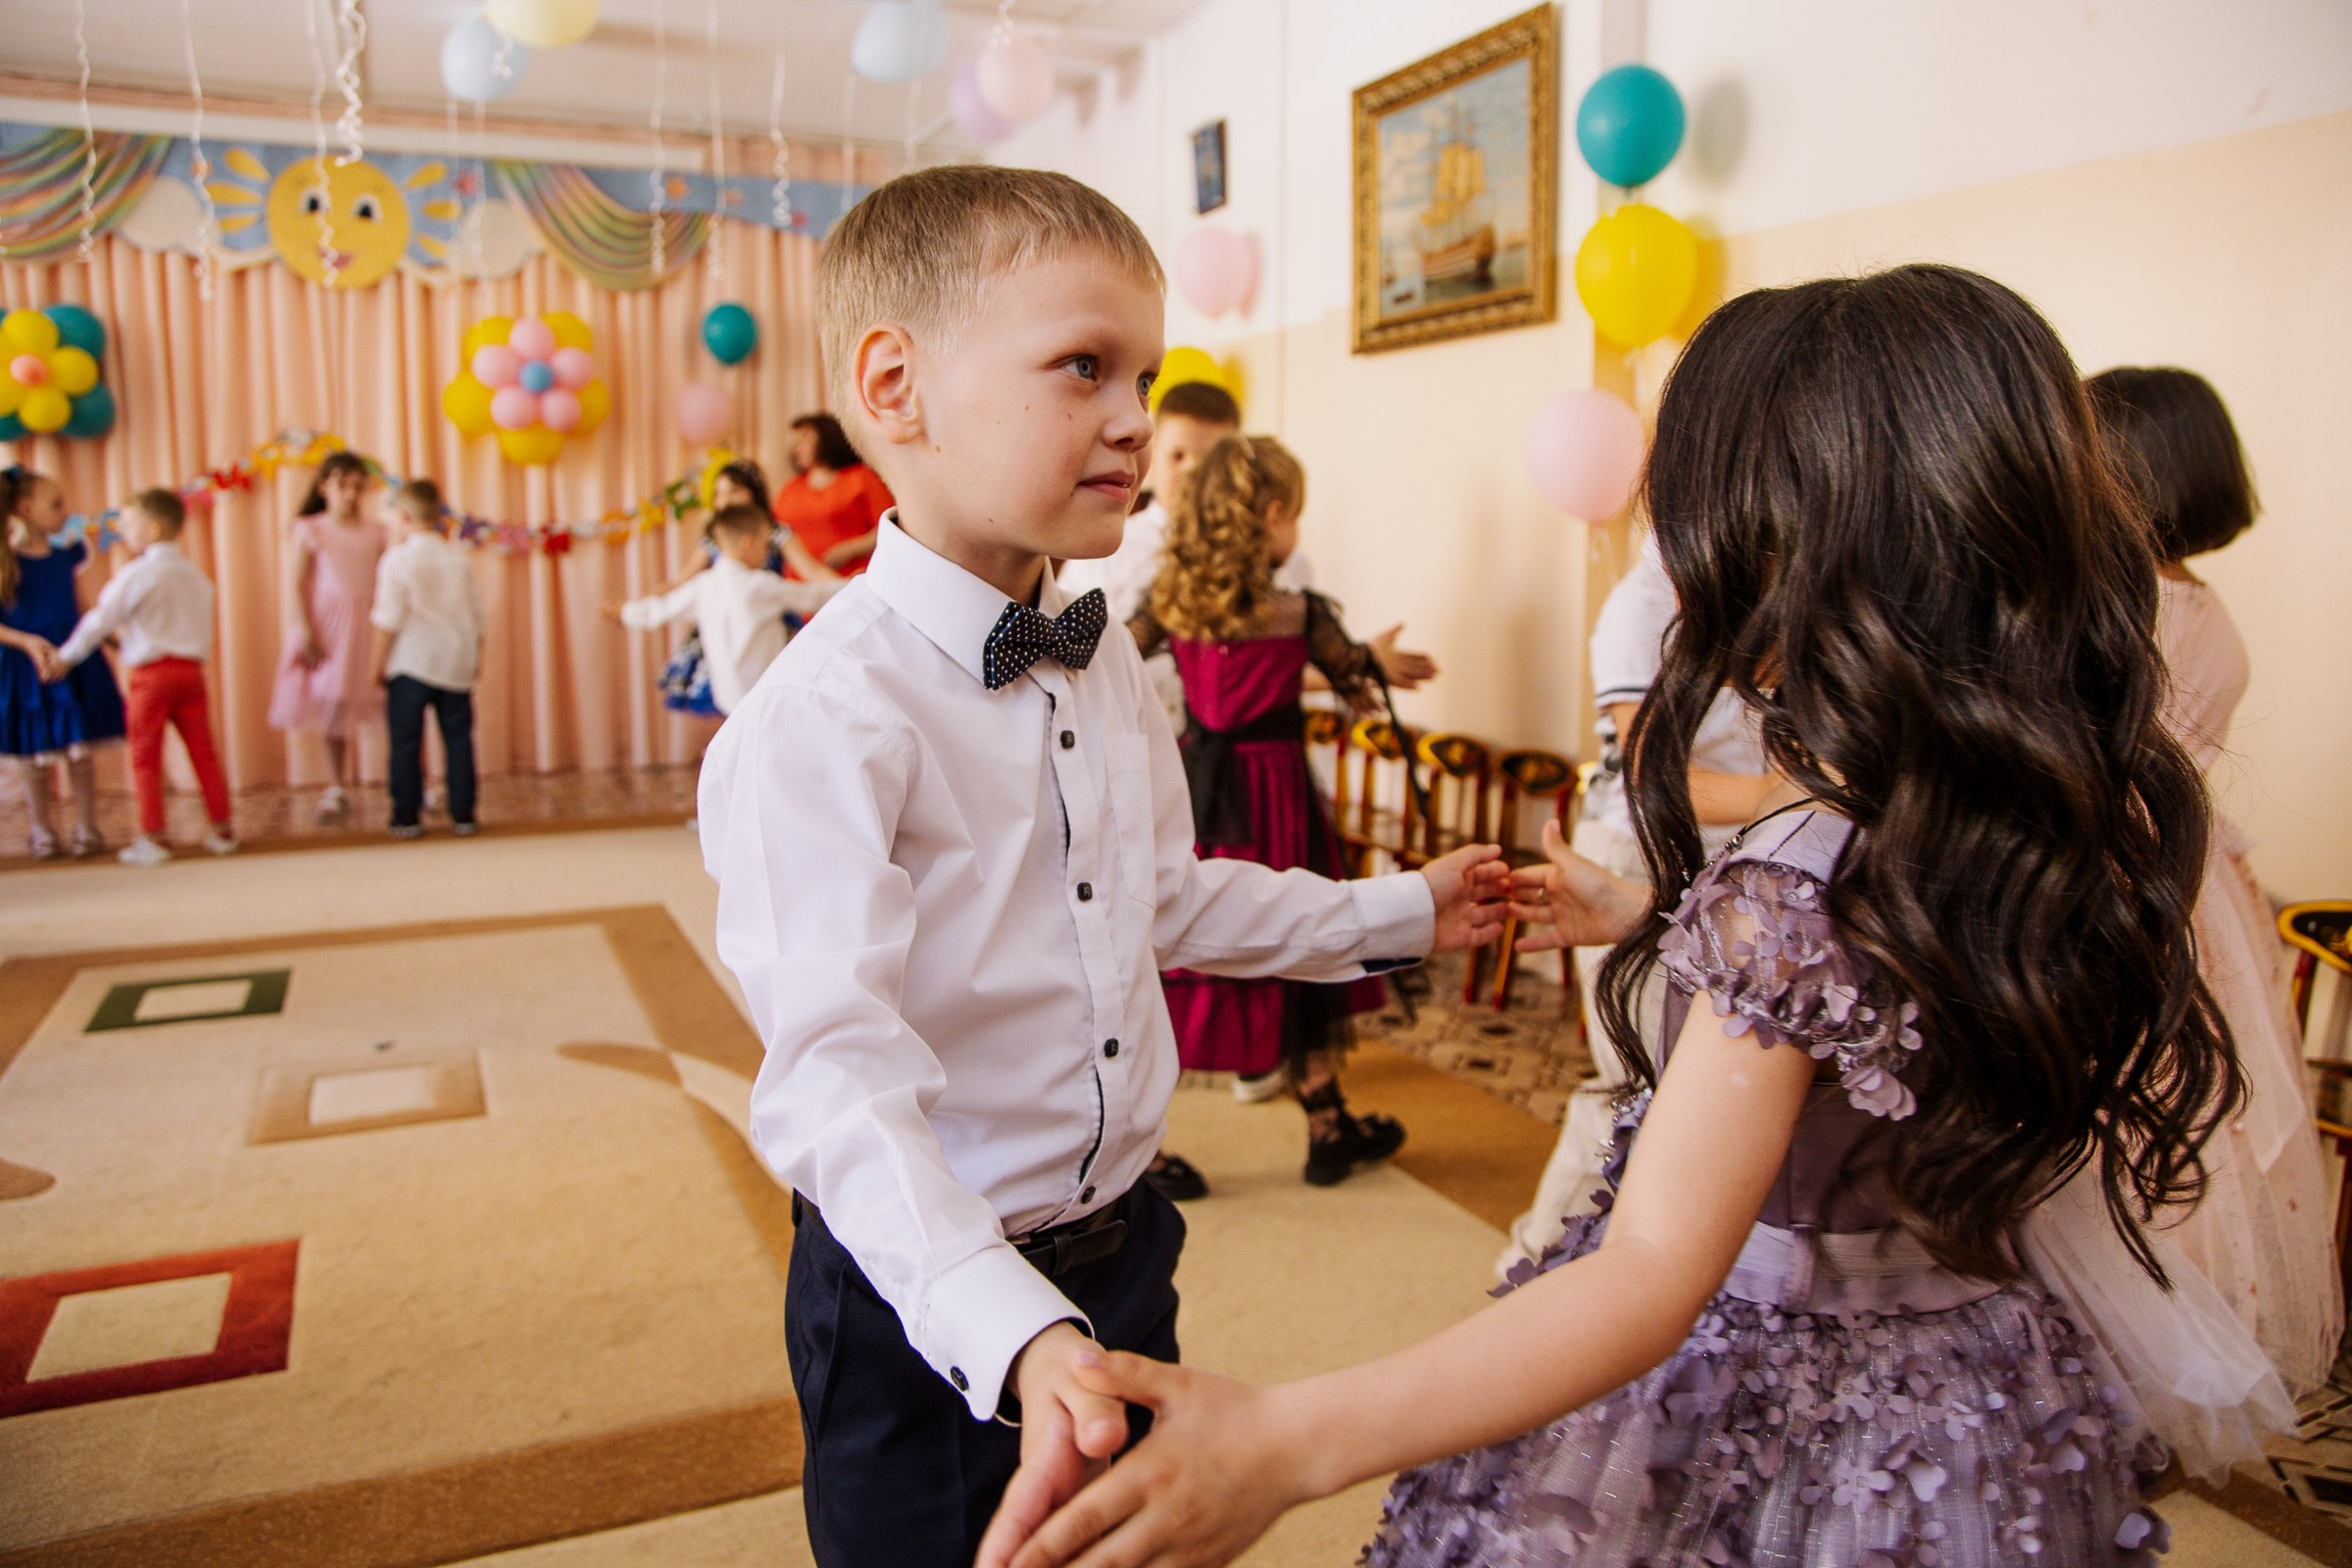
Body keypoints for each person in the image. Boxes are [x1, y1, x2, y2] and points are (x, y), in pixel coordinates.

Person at [984, 265, 2291, 1568]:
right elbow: (1870, 1024)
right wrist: (1665, 916)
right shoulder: (2054, 816)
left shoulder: (1795, 883)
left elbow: (1653, 1264)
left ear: (1789, 540)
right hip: (1977, 1395)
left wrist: (1290, 1437)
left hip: (1801, 1414)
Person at [693, 164, 1508, 1568]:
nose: (1137, 422)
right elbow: (834, 1077)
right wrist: (1006, 1329)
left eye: (1146, 374)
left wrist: (1400, 910)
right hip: (929, 1295)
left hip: (1124, 1254)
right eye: (1084, 368)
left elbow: (1168, 894)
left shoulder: (1102, 656)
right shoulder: (821, 726)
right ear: (896, 389)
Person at [2087, 364, 2341, 1396]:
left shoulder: (2116, 605)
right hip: (2202, 891)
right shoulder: (2213, 611)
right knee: (2198, 1121)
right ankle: (2184, 1333)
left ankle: (2108, 1341)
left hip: (2116, 874)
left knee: (2106, 1106)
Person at [1133, 432, 1414, 1187]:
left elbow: (1110, 657)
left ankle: (1143, 1148)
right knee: (1303, 943)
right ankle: (1324, 1124)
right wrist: (1371, 664)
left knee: (1183, 954)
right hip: (1279, 796)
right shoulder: (1299, 612)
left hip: (1202, 797)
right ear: (1276, 512)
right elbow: (1355, 675)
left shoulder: (1173, 604)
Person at [1498, 534, 1770, 1269]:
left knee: (1694, 1090)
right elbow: (1661, 776)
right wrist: (1804, 794)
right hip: (1637, 848)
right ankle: (1531, 1271)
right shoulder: (1643, 606)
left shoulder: (1747, 606)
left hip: (1727, 858)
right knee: (1629, 1083)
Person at [1060, 379, 1433, 733]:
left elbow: (1271, 669)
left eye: (1212, 463)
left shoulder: (1287, 568)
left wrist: (1354, 662)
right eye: (1178, 456)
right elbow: (1087, 664)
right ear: (1153, 458)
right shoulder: (1103, 550)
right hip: (1138, 746)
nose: (1194, 473)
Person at [52, 488, 235, 866]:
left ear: (152, 528)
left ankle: (154, 836)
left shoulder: (138, 573)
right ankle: (222, 829)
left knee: (145, 757)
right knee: (204, 751)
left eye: (128, 525)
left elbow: (99, 619)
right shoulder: (196, 577)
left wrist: (65, 658)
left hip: (152, 677)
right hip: (191, 673)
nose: (123, 533)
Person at [612, 505, 844, 717]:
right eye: (764, 545)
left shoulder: (704, 585)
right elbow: (813, 596)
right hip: (763, 691)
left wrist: (625, 612)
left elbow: (659, 610)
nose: (766, 554)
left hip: (727, 695)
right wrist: (851, 585)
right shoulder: (760, 584)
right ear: (747, 543)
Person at [0, 465, 123, 858]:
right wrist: (27, 642)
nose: (65, 511)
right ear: (26, 509)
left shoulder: (66, 556)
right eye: (56, 504)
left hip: (72, 660)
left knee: (79, 750)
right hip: (26, 667)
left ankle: (87, 827)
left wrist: (111, 638)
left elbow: (85, 609)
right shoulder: (7, 561)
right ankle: (43, 830)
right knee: (34, 756)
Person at [268, 451, 387, 821]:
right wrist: (304, 628)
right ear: (324, 487)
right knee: (332, 702)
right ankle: (337, 786)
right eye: (341, 485)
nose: (350, 494)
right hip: (329, 624)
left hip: (370, 621)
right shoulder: (311, 528)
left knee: (379, 699)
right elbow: (295, 582)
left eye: (357, 486)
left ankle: (408, 780)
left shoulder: (378, 532)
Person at [368, 479, 484, 841]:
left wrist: (376, 664)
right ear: (439, 515)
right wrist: (477, 656)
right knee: (459, 739)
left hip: (412, 662)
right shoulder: (459, 558)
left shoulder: (398, 560)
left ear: (402, 516)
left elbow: (389, 617)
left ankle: (407, 816)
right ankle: (464, 814)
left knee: (405, 742)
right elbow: (478, 615)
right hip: (455, 660)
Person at [652, 459, 780, 719]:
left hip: (765, 625)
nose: (726, 500)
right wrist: (654, 596)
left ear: (753, 492)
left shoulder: (775, 532)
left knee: (768, 698)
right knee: (730, 695)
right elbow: (684, 579)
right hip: (724, 624)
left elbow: (811, 573)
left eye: (734, 491)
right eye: (720, 494)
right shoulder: (713, 539)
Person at [774, 412, 894, 575]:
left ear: (827, 437)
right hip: (800, 588)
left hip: (852, 577)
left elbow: (889, 525)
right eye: (795, 440)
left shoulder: (861, 478)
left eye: (805, 437)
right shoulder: (790, 488)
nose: (797, 445)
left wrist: (851, 549)